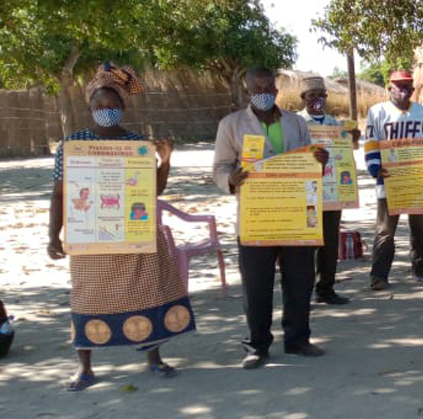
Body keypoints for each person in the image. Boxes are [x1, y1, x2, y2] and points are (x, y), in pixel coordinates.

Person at [46, 63, 193, 390]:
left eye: (112, 106)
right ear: (90, 108)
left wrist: (165, 160)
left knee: (147, 292)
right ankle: (85, 368)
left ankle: (153, 358)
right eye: (99, 106)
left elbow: (151, 190)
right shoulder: (73, 146)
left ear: (123, 108)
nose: (106, 110)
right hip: (90, 238)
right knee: (87, 298)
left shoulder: (137, 144)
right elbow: (59, 194)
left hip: (133, 235)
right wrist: (52, 236)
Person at [214, 68, 329, 368]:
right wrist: (231, 178)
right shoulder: (232, 125)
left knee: (300, 280)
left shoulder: (295, 123)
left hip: (294, 215)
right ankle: (257, 345)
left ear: (277, 90)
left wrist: (320, 160)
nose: (264, 91)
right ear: (247, 91)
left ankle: (298, 339)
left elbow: (309, 163)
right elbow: (220, 168)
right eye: (257, 87)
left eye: (269, 86)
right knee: (256, 285)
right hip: (257, 217)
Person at [364, 69, 423, 289]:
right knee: (385, 231)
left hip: (418, 180)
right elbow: (371, 142)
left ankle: (422, 269)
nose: (404, 90)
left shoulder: (421, 112)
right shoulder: (377, 112)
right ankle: (378, 275)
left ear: (413, 89)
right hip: (390, 180)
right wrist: (375, 168)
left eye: (408, 86)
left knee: (420, 229)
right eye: (399, 86)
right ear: (390, 88)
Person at [298, 76, 354, 305]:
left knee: (329, 243)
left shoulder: (334, 124)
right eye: (312, 96)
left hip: (332, 193)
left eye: (321, 95)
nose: (317, 100)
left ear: (326, 97)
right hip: (306, 191)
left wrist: (352, 139)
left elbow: (345, 154)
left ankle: (326, 289)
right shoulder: (296, 123)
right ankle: (302, 291)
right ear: (303, 98)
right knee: (307, 243)